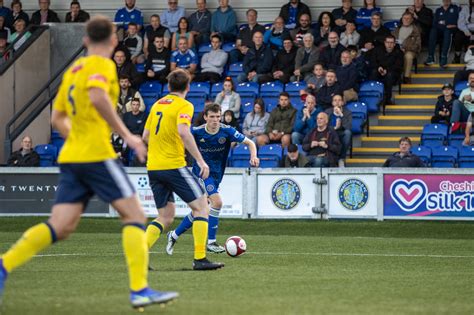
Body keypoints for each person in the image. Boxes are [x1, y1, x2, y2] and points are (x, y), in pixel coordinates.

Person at [0, 16, 178, 309]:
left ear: (85, 41)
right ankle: (139, 289)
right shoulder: (102, 65)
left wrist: (77, 137)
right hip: (96, 154)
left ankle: (5, 264)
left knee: (61, 225)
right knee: (135, 216)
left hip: (72, 156)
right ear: (112, 41)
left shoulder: (73, 72)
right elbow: (97, 97)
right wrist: (128, 136)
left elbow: (56, 118)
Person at [143, 69, 225, 271]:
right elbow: (183, 131)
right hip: (173, 165)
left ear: (169, 86)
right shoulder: (185, 105)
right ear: (187, 87)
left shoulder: (157, 105)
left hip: (153, 167)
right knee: (202, 208)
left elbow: (145, 136)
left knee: (165, 216)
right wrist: (200, 160)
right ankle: (200, 258)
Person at [165, 103, 259, 254]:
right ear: (205, 117)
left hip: (216, 174)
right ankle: (211, 241)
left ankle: (174, 235)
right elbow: (179, 139)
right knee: (217, 202)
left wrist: (253, 156)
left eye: (218, 116)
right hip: (201, 172)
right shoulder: (197, 132)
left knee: (202, 210)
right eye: (212, 117)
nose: (216, 120)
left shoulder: (227, 131)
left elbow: (250, 143)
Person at [370, 35, 403, 105]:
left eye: (391, 42)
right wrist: (378, 67)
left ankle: (388, 99)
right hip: (379, 71)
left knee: (389, 75)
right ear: (384, 43)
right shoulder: (377, 50)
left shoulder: (399, 52)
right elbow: (372, 61)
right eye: (388, 42)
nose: (389, 44)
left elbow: (398, 66)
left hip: (392, 73)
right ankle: (374, 98)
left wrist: (387, 70)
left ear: (394, 44)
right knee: (373, 72)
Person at [424, 0, 459, 67]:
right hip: (440, 29)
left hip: (451, 30)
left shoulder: (456, 8)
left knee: (447, 31)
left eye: (448, 0)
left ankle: (444, 58)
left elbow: (459, 21)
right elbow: (435, 23)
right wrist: (445, 24)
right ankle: (431, 57)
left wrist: (453, 25)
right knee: (433, 31)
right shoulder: (438, 10)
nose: (446, 1)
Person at [393, 12, 422, 84]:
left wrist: (405, 48)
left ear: (412, 20)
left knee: (408, 56)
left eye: (408, 18)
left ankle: (406, 77)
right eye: (404, 18)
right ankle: (394, 77)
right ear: (402, 19)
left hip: (410, 51)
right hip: (397, 49)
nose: (406, 20)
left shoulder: (416, 30)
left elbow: (417, 45)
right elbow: (391, 40)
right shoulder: (397, 29)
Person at [325, 94, 352, 167]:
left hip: (341, 133)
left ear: (342, 103)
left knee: (348, 133)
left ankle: (341, 158)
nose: (337, 102)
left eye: (339, 100)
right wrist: (334, 128)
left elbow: (348, 126)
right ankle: (330, 158)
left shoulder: (347, 112)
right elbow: (324, 126)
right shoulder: (327, 112)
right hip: (331, 133)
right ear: (332, 103)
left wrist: (341, 114)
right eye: (335, 100)